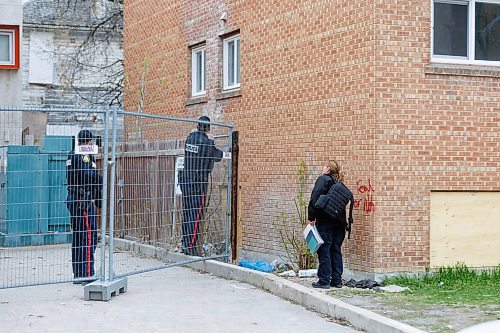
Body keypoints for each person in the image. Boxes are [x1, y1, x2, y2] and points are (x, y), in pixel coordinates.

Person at [179, 116, 223, 256]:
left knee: (187, 213)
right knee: (196, 215)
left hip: (186, 181)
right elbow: (218, 156)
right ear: (208, 128)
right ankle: (191, 247)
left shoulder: (189, 138)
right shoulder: (206, 142)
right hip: (198, 183)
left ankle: (185, 243)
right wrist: (211, 140)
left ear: (197, 126)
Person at [66, 129, 103, 284]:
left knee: (79, 238)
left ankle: (79, 274)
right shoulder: (84, 155)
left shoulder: (72, 153)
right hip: (82, 200)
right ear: (88, 142)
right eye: (91, 142)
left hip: (76, 198)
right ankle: (88, 274)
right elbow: (87, 175)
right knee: (89, 237)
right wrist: (100, 178)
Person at [308, 160, 348, 289]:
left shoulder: (323, 179)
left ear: (328, 168)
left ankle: (324, 280)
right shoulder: (339, 183)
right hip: (340, 222)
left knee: (324, 249)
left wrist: (311, 217)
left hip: (326, 221)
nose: (323, 167)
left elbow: (314, 198)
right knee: (335, 250)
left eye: (324, 165)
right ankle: (336, 280)